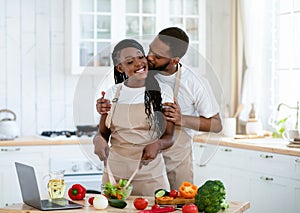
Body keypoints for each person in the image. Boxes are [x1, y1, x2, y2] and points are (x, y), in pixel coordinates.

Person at [96, 27, 222, 190]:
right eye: (150, 49)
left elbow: (217, 125)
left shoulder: (194, 83)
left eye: (157, 56)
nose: (149, 57)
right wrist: (104, 106)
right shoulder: (143, 71)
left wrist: (180, 119)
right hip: (144, 161)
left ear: (174, 60)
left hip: (175, 160)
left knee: (177, 205)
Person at [93, 39, 175, 196]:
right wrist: (98, 140)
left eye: (140, 57)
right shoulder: (112, 93)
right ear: (120, 68)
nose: (138, 63)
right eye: (130, 61)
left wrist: (157, 144)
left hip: (151, 176)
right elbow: (103, 133)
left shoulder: (163, 92)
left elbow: (169, 137)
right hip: (114, 177)